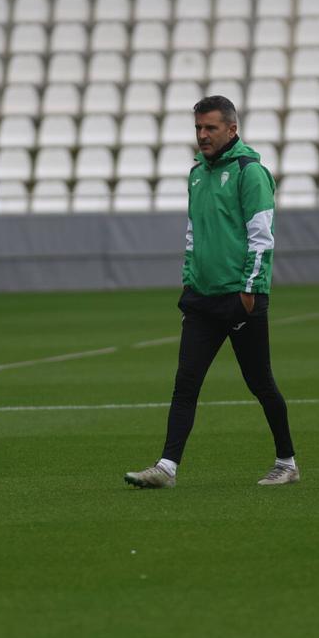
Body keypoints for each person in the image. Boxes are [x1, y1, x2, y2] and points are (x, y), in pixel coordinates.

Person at [125, 95, 299, 489]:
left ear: (231, 129)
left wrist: (249, 293)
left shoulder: (250, 172)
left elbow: (262, 236)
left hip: (239, 298)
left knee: (260, 382)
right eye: (198, 128)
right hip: (201, 298)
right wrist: (189, 281)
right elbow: (193, 233)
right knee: (186, 382)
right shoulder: (197, 174)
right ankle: (166, 467)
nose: (202, 135)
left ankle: (286, 462)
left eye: (210, 128)